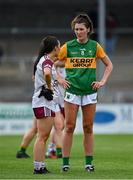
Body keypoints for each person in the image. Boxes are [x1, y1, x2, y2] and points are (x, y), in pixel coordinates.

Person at [58, 13, 113, 172]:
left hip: (90, 91)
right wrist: (59, 79)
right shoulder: (67, 47)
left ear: (88, 30)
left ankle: (89, 163)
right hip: (72, 91)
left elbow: (109, 65)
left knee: (88, 127)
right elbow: (51, 63)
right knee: (69, 126)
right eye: (76, 29)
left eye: (81, 29)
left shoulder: (95, 46)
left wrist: (102, 81)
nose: (78, 32)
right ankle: (65, 163)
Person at [32, 36, 69, 174]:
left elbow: (44, 75)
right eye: (59, 46)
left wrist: (56, 82)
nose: (60, 48)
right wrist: (49, 87)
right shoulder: (47, 61)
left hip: (46, 102)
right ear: (55, 48)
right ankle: (38, 168)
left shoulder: (47, 60)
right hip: (43, 102)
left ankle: (40, 166)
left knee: (44, 136)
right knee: (42, 136)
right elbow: (47, 74)